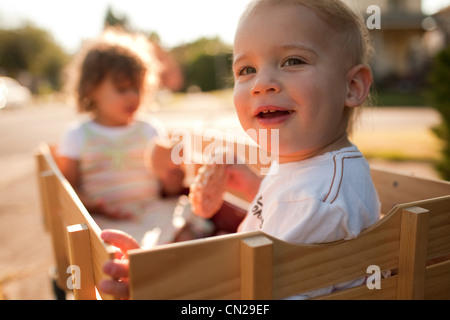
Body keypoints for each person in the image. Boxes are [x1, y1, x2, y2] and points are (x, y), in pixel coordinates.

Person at [100, 0, 381, 299]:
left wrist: (160, 284)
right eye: (247, 69)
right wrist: (254, 187)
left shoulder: (313, 200)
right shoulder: (313, 170)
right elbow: (284, 217)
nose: (261, 84)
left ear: (351, 86)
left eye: (293, 61)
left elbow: (254, 292)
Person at [58, 27, 188, 248]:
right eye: (122, 89)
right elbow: (68, 190)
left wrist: (171, 182)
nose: (133, 96)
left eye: (137, 89)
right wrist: (95, 205)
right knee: (106, 245)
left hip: (151, 209)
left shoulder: (150, 129)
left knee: (186, 223)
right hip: (106, 218)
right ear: (91, 89)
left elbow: (167, 189)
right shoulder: (78, 135)